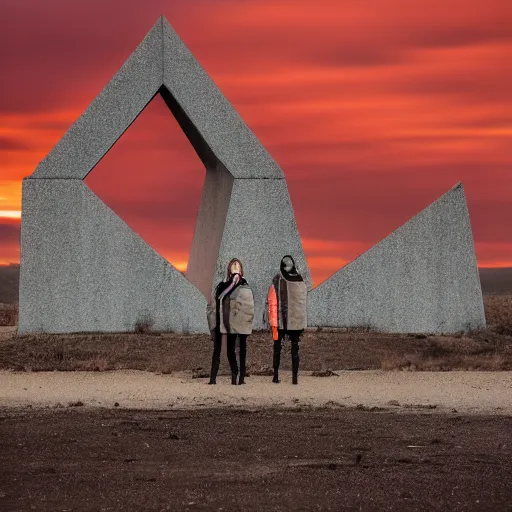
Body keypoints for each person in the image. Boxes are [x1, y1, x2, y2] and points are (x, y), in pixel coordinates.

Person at [206, 258, 254, 385]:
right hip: (226, 322)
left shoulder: (245, 286)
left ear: (241, 269)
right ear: (229, 269)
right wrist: (214, 321)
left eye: (237, 264)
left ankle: (241, 377)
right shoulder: (223, 286)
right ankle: (231, 373)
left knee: (242, 349)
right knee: (227, 350)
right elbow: (215, 303)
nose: (235, 265)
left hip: (241, 322)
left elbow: (248, 304)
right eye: (233, 264)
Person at [267, 255, 307, 384]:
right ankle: (286, 377)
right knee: (289, 349)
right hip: (288, 320)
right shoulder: (299, 280)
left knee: (280, 348)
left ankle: (279, 376)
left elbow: (272, 300)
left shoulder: (278, 279)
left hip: (283, 320)